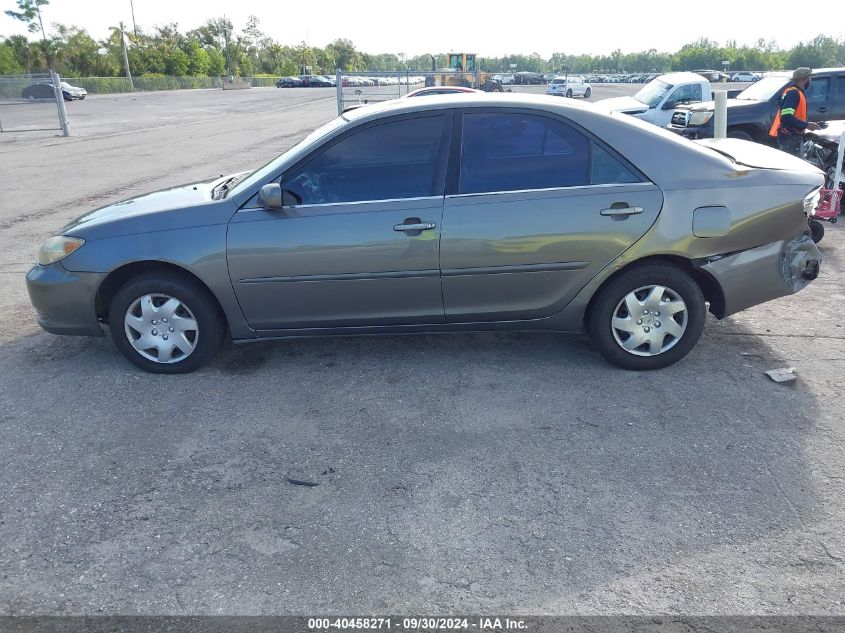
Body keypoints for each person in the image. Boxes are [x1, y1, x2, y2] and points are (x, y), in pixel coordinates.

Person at [769, 67, 820, 157]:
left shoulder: (795, 92)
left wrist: (807, 122)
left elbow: (795, 115)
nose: (810, 81)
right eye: (809, 78)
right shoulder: (794, 94)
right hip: (790, 138)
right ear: (804, 79)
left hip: (791, 137)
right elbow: (787, 117)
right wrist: (806, 125)